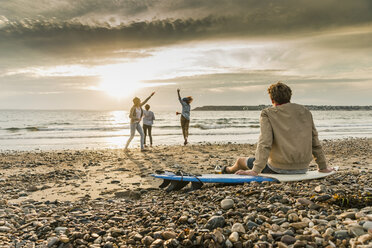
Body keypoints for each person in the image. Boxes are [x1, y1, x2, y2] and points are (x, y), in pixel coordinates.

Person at [223, 82, 333, 175]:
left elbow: (265, 142)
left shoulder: (267, 113)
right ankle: (226, 170)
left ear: (272, 99)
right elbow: (314, 141)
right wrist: (323, 167)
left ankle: (226, 171)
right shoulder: (305, 111)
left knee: (240, 161)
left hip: (278, 168)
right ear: (289, 96)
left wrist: (255, 170)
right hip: (303, 168)